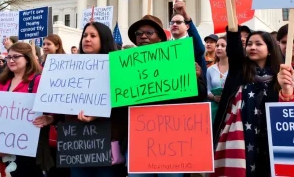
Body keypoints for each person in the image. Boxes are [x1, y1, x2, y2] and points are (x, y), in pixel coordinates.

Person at [212, 0, 283, 176]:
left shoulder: (280, 76)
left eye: (258, 44)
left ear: (270, 49)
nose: (252, 47)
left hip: (268, 141)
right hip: (241, 141)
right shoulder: (239, 70)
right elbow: (233, 35)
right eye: (249, 43)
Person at [128, 15, 207, 177]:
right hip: (140, 138)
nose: (143, 36)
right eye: (139, 33)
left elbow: (199, 97)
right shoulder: (126, 66)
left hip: (172, 140)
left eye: (149, 32)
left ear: (160, 38)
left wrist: (196, 79)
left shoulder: (177, 61)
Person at [69, 22, 127, 177]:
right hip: (76, 142)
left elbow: (125, 103)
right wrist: (51, 117)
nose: (87, 39)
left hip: (107, 142)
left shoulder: (119, 68)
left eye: (93, 36)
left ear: (104, 39)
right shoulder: (68, 68)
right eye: (85, 35)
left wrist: (98, 113)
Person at [0, 42, 54, 176]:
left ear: (27, 58)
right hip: (7, 144)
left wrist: (50, 118)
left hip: (30, 145)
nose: (11, 60)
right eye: (8, 57)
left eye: (16, 57)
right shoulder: (3, 82)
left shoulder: (38, 80)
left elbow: (53, 108)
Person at [43, 35, 70, 177]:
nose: (45, 46)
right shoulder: (42, 65)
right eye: (43, 44)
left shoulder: (68, 64)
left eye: (49, 44)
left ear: (57, 46)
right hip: (47, 121)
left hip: (63, 122)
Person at [171, 0, 207, 75]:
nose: (174, 24)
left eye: (178, 22)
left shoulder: (193, 46)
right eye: (172, 22)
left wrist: (186, 17)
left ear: (187, 26)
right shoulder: (165, 48)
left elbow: (200, 49)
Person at [207, 36, 228, 122]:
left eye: (223, 45)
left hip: (231, 108)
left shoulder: (236, 69)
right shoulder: (210, 69)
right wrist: (214, 97)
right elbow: (208, 90)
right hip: (215, 109)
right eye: (217, 45)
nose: (219, 48)